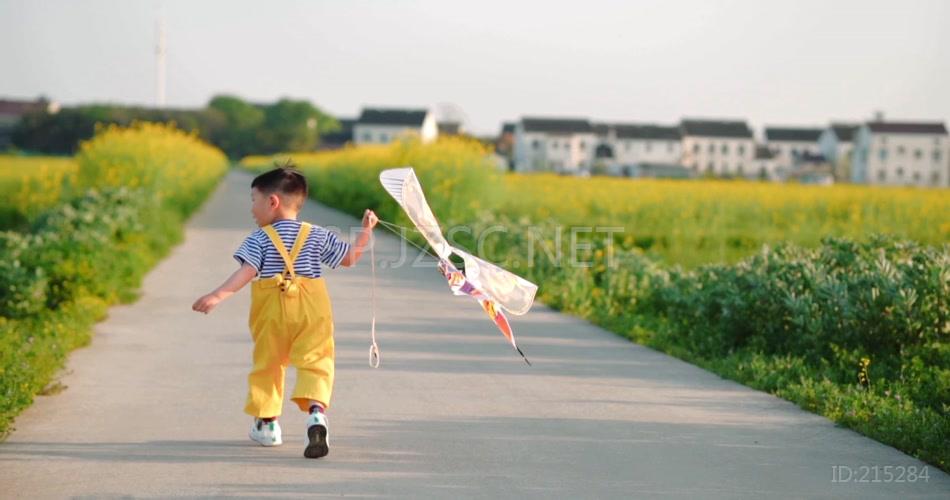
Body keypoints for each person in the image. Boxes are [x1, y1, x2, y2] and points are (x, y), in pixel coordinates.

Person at [192, 164, 377, 459]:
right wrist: (365, 233)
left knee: (268, 363)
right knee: (316, 361)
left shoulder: (259, 238)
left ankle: (268, 427)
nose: (252, 209)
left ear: (272, 202)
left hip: (272, 313)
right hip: (312, 311)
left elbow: (246, 272)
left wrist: (218, 295)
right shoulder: (317, 234)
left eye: (254, 200)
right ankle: (316, 414)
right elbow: (350, 259)